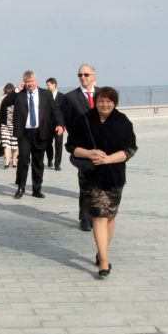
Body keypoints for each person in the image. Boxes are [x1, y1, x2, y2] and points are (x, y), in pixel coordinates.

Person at [65, 87, 137, 277]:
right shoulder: (84, 120)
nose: (104, 104)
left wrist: (109, 159)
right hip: (92, 176)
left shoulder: (123, 122)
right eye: (101, 101)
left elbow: (130, 149)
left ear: (114, 103)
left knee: (110, 216)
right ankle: (104, 261)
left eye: (108, 101)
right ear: (95, 102)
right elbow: (71, 146)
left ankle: (101, 251)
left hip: (115, 175)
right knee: (99, 216)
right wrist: (89, 153)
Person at [12, 70, 64, 199]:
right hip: (24, 133)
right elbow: (6, 102)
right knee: (23, 160)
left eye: (31, 81)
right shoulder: (19, 95)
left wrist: (59, 124)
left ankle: (36, 189)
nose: (29, 84)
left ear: (36, 81)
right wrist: (16, 90)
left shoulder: (46, 94)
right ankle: (21, 187)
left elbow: (55, 110)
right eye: (27, 82)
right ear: (24, 82)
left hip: (40, 133)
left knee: (38, 162)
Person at [63, 63, 98, 231]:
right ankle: (85, 217)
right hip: (83, 148)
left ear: (93, 76)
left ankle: (97, 215)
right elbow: (69, 122)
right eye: (80, 75)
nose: (82, 77)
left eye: (86, 74)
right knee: (85, 184)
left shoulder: (103, 94)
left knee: (100, 184)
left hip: (103, 147)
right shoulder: (71, 97)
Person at [0, 83, 19, 168]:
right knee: (6, 143)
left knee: (14, 144)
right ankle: (7, 161)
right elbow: (0, 113)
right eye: (7, 89)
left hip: (15, 124)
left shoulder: (17, 97)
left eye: (10, 89)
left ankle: (14, 160)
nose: (8, 90)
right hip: (5, 124)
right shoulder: (3, 98)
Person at [45, 78, 65, 171]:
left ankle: (57, 164)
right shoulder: (45, 96)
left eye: (48, 85)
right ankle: (50, 159)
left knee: (58, 144)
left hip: (59, 125)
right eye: (47, 85)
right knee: (48, 143)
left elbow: (65, 112)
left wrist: (63, 125)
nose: (47, 87)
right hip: (48, 125)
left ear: (54, 84)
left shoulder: (62, 97)